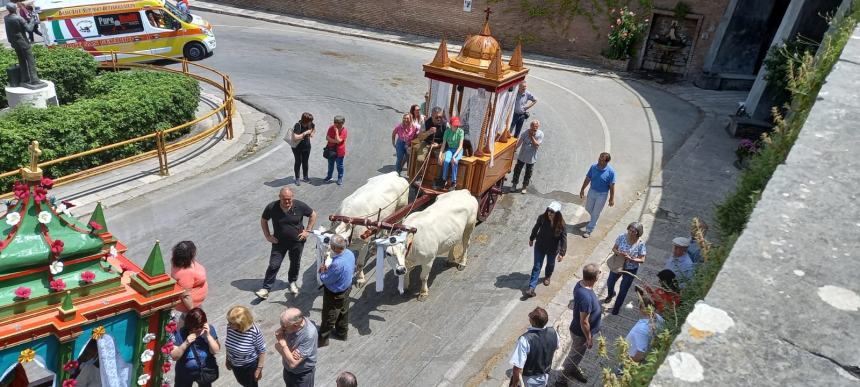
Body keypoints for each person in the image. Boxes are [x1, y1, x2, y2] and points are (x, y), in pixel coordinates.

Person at [256, 187, 318, 300]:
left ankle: (292, 282)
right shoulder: (272, 207)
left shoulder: (299, 206)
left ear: (292, 197)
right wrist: (268, 236)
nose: (287, 202)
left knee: (295, 262)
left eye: (289, 199)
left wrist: (307, 231)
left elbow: (313, 214)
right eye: (285, 199)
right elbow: (264, 220)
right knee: (274, 264)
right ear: (279, 197)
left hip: (297, 242)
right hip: (279, 243)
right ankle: (266, 288)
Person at [557, 264, 601, 384]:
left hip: (577, 329)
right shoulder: (586, 298)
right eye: (599, 273)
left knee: (576, 356)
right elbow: (584, 321)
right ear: (595, 278)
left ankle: (573, 369)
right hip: (581, 334)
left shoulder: (580, 283)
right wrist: (589, 338)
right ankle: (561, 380)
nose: (600, 274)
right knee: (574, 356)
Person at [318, 234, 355, 347]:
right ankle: (342, 333)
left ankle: (323, 339)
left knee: (329, 316)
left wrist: (323, 271)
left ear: (334, 248)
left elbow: (326, 280)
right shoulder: (349, 253)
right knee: (343, 311)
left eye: (331, 245)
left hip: (335, 294)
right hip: (346, 288)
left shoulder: (338, 264)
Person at [523, 201, 567, 299]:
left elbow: (563, 239)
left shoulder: (562, 225)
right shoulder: (542, 218)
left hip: (552, 249)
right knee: (537, 266)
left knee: (550, 264)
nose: (549, 213)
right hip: (540, 246)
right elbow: (536, 228)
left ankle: (547, 276)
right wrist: (531, 238)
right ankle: (531, 288)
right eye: (549, 211)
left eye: (552, 212)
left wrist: (562, 253)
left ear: (557, 214)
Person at [603, 222, 647, 315]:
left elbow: (642, 259)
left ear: (638, 233)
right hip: (618, 265)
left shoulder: (640, 244)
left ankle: (616, 308)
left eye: (634, 231)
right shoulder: (622, 236)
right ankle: (611, 294)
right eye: (630, 230)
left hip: (631, 269)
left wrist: (632, 259)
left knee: (623, 289)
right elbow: (614, 248)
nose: (631, 232)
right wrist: (620, 254)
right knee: (610, 282)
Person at [170, 308, 221, 387]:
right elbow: (174, 356)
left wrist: (208, 336)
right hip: (184, 373)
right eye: (196, 328)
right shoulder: (180, 333)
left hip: (205, 370)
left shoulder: (208, 329)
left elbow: (215, 351)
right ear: (189, 326)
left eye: (201, 326)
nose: (199, 329)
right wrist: (185, 343)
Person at [509, 307, 558, 387]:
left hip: (529, 380)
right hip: (545, 376)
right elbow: (555, 347)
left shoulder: (525, 339)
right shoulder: (553, 332)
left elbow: (517, 368)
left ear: (532, 321)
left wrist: (514, 384)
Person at [275, 308, 318, 387]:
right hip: (287, 370)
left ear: (295, 325)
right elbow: (289, 359)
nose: (281, 329)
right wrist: (289, 355)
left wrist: (282, 344)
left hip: (302, 375)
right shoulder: (289, 327)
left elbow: (292, 363)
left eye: (284, 327)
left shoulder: (309, 334)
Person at [225, 306, 266, 387]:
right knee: (243, 382)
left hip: (249, 367)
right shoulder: (230, 328)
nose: (228, 324)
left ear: (241, 324)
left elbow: (262, 351)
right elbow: (229, 345)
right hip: (235, 365)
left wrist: (259, 369)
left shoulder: (254, 332)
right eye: (228, 321)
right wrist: (227, 360)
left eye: (231, 323)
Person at [579, 152, 616, 238]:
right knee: (588, 207)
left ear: (607, 162)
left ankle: (589, 230)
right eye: (599, 158)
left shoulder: (611, 172)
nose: (599, 161)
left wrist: (611, 198)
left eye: (602, 160)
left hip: (602, 195)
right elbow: (588, 178)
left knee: (596, 212)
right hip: (592, 191)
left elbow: (612, 186)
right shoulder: (593, 167)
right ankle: (594, 219)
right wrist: (582, 189)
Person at [170, 241, 208, 319]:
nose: (195, 253)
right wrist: (193, 312)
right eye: (194, 252)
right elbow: (186, 296)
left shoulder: (181, 262)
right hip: (190, 306)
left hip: (195, 303)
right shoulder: (185, 273)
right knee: (192, 322)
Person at [624, 295, 664, 364]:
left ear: (642, 309)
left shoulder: (641, 329)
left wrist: (628, 362)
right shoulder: (659, 318)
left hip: (631, 358)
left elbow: (640, 354)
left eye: (640, 307)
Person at [511, 120, 544, 194]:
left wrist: (532, 136)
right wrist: (514, 149)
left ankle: (524, 187)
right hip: (522, 156)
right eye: (533, 127)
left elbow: (536, 145)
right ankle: (514, 184)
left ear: (538, 127)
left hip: (531, 158)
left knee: (528, 173)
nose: (534, 129)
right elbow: (520, 142)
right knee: (517, 170)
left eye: (536, 127)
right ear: (530, 126)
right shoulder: (525, 132)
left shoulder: (540, 134)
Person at [435, 116, 464, 190]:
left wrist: (454, 157)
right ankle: (444, 180)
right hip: (450, 149)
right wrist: (440, 155)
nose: (456, 127)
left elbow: (460, 146)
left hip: (458, 150)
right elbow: (443, 145)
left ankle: (454, 182)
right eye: (455, 125)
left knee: (454, 162)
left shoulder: (461, 132)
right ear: (451, 125)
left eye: (457, 125)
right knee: (446, 161)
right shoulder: (447, 132)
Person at [291, 113, 315, 185]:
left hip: (307, 147)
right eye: (310, 121)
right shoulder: (298, 125)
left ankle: (305, 177)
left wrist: (312, 133)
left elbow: (313, 129)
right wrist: (305, 133)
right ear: (305, 121)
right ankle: (297, 178)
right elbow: (295, 137)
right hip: (297, 148)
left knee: (305, 162)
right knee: (298, 162)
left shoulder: (311, 124)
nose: (311, 122)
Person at [324, 115, 348, 185]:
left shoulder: (344, 130)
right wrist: (335, 141)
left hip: (340, 151)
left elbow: (339, 140)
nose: (335, 124)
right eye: (335, 122)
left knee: (339, 166)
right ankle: (329, 176)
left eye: (337, 123)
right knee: (330, 164)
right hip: (331, 150)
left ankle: (340, 178)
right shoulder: (331, 128)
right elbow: (327, 138)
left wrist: (337, 132)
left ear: (342, 123)